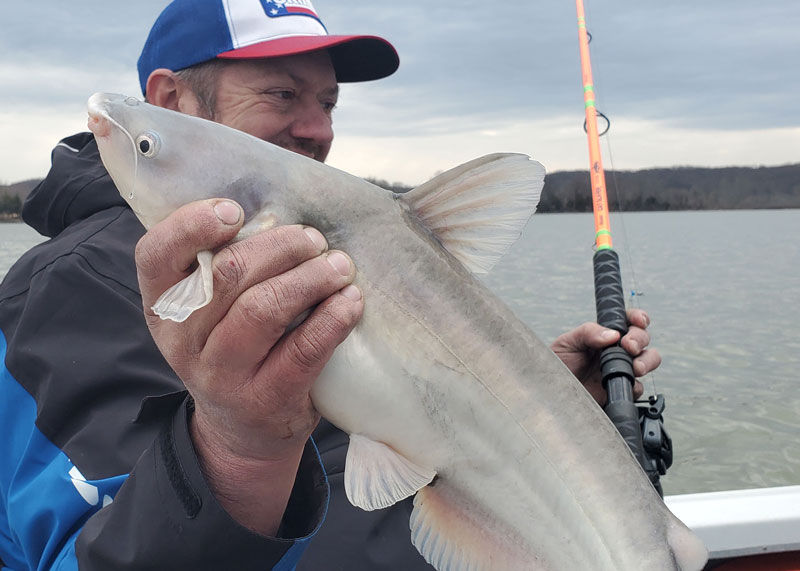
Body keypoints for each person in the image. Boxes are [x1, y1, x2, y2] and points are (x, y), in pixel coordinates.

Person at [0, 1, 660, 569]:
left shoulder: (334, 238)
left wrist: (532, 404)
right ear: (171, 102)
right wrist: (236, 450)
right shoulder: (69, 290)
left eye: (327, 101)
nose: (318, 127)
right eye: (282, 94)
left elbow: (383, 424)